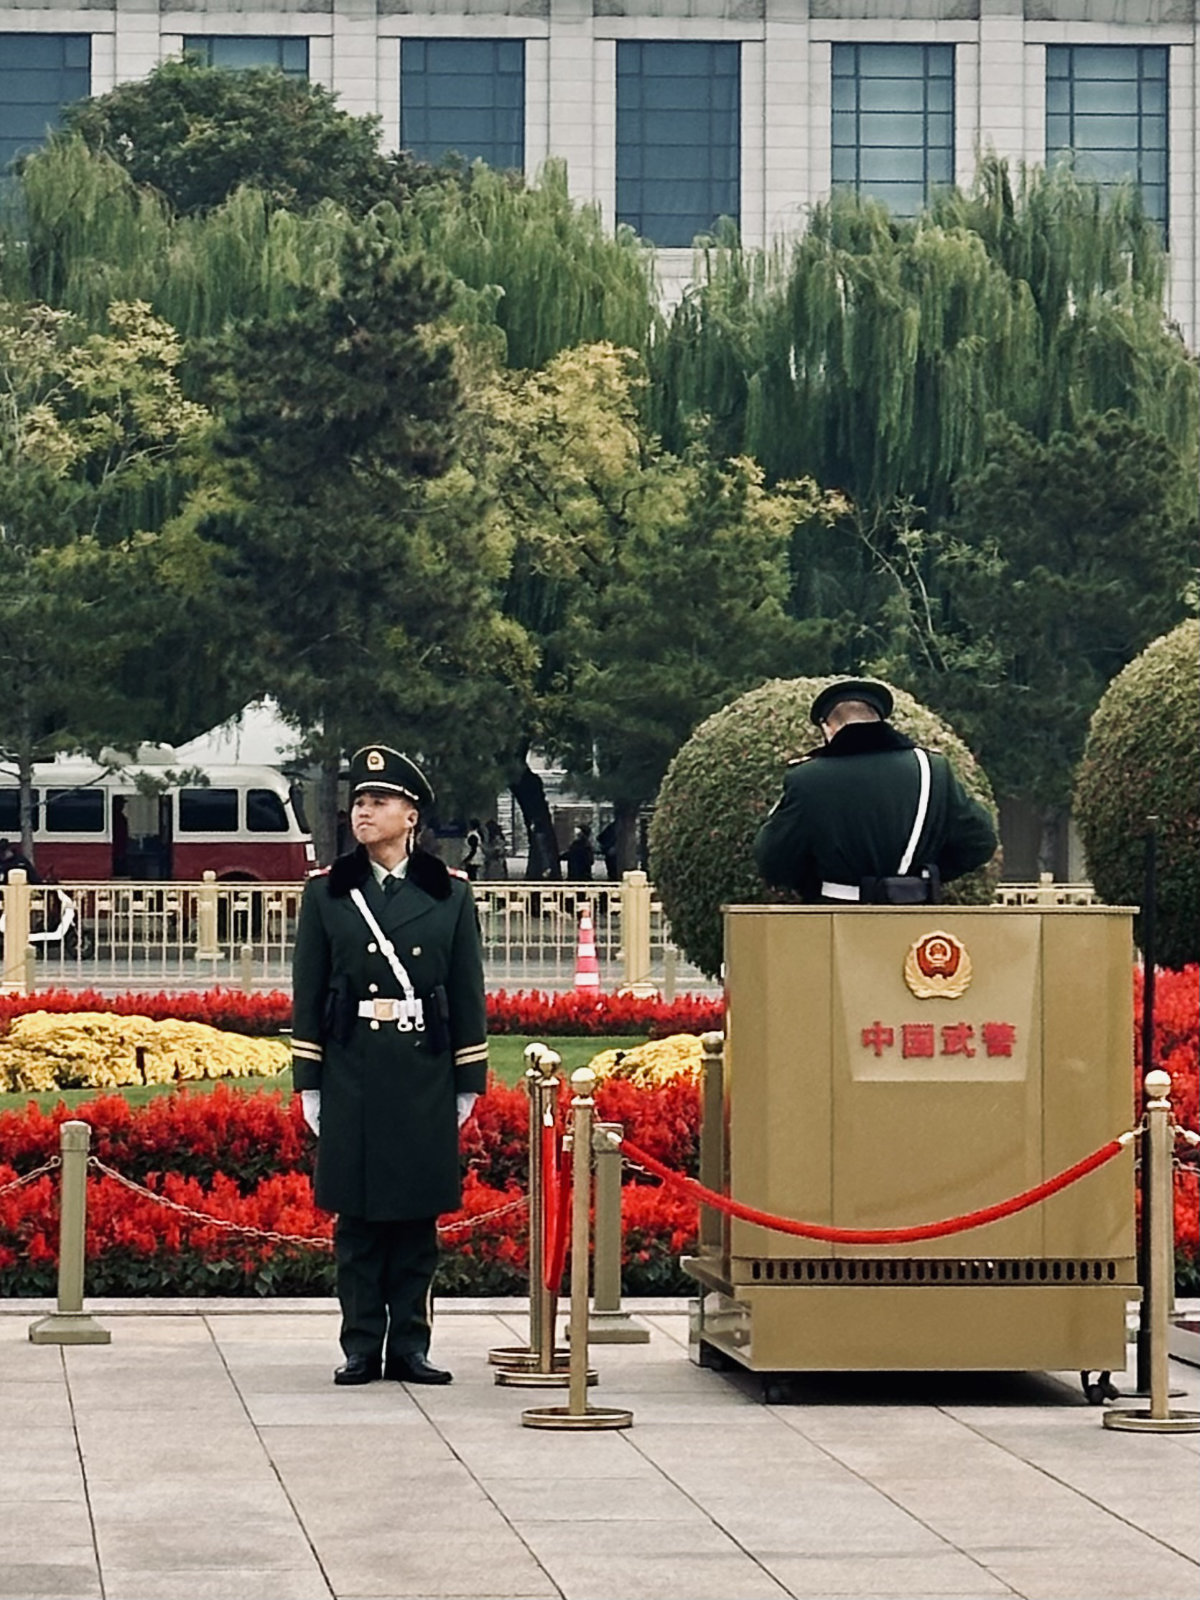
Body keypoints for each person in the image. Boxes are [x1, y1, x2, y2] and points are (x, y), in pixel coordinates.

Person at [291, 745, 488, 1387]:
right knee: (357, 1219)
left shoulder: (448, 894)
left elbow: (465, 993)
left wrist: (467, 1081)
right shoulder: (327, 892)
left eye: (378, 802)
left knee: (415, 1219)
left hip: (422, 1071)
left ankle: (410, 1343)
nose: (363, 812)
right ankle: (359, 1344)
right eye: (358, 802)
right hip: (353, 1068)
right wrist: (310, 1082)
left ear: (411, 816)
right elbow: (308, 990)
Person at [754, 679, 997, 904]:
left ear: (828, 729)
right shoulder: (932, 769)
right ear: (879, 719)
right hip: (914, 914)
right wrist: (926, 874)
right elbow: (981, 840)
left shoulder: (806, 779)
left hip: (835, 919)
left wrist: (813, 883)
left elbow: (774, 862)